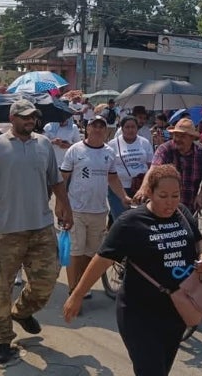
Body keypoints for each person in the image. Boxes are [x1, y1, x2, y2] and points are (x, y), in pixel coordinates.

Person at [63, 165, 202, 376]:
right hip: (139, 314)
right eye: (163, 196)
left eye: (175, 195)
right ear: (149, 192)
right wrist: (77, 295)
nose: (170, 202)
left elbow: (198, 239)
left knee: (162, 369)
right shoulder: (130, 222)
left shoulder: (183, 213)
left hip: (176, 310)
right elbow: (102, 260)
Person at [0, 99, 72, 364]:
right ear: (12, 118)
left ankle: (22, 312)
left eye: (33, 117)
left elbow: (56, 180)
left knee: (46, 281)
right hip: (5, 232)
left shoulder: (44, 144)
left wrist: (65, 206)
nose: (30, 121)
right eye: (25, 117)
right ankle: (3, 340)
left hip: (41, 227)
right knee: (1, 289)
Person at [60, 115, 132, 298]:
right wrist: (61, 204)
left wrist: (123, 196)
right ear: (87, 129)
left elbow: (113, 178)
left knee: (91, 252)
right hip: (76, 209)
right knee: (76, 251)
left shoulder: (109, 152)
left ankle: (81, 285)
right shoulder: (75, 150)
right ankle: (73, 291)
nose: (98, 129)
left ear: (106, 131)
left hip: (99, 211)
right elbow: (63, 178)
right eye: (94, 126)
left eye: (101, 126)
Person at [149, 118, 202, 213]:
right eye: (176, 135)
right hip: (164, 208)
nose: (177, 139)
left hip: (189, 208)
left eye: (182, 136)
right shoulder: (165, 150)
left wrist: (200, 196)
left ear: (192, 138)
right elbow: (153, 171)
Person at [108, 116, 153, 221]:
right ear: (122, 128)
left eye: (133, 127)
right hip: (119, 188)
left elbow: (151, 165)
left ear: (137, 128)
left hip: (140, 188)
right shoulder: (112, 144)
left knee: (140, 219)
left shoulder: (144, 142)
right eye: (127, 127)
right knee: (121, 219)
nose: (130, 130)